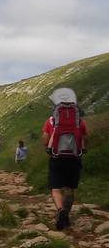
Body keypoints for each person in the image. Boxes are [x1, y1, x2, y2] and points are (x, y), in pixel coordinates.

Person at [42, 88, 88, 231]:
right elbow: (84, 139)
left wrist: (48, 147)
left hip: (56, 157)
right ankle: (66, 215)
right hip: (74, 158)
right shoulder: (79, 122)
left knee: (55, 188)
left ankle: (60, 210)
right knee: (70, 188)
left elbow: (45, 139)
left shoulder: (50, 121)